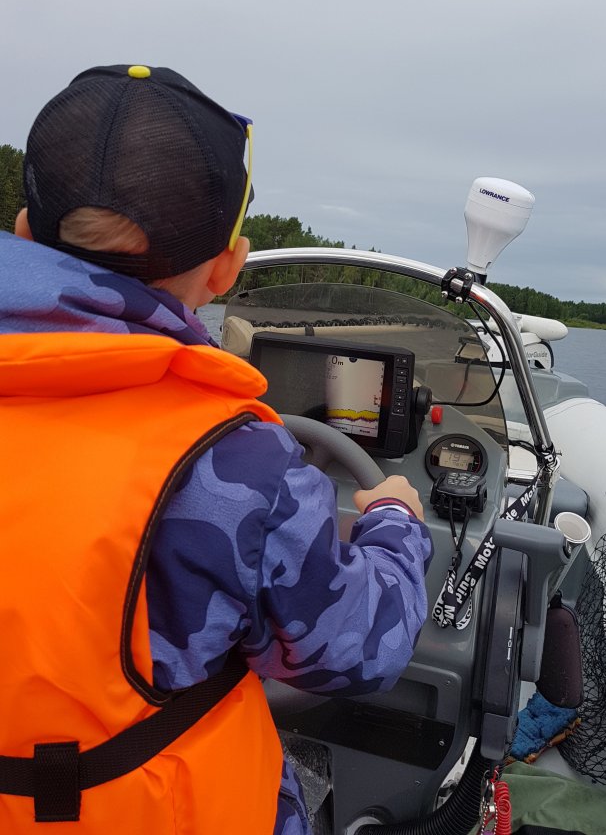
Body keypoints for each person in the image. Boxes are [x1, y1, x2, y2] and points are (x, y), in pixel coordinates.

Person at [0, 65, 432, 834]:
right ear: (227, 269)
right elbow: (359, 649)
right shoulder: (239, 463)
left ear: (26, 230)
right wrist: (396, 524)